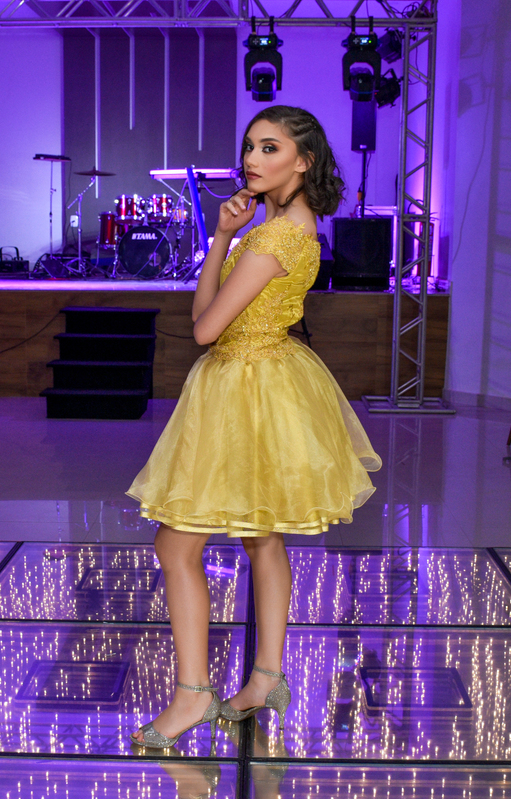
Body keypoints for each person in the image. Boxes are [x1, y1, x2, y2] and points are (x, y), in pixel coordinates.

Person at [126, 105, 381, 749]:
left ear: (304, 161)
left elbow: (204, 328)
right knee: (262, 537)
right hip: (267, 379)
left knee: (176, 547)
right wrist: (220, 236)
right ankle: (266, 678)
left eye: (270, 148)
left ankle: (193, 696)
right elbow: (206, 314)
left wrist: (227, 244)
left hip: (245, 384)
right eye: (249, 146)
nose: (251, 159)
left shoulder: (274, 241)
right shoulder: (288, 229)